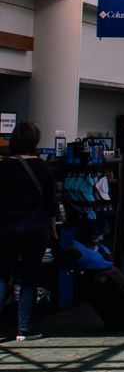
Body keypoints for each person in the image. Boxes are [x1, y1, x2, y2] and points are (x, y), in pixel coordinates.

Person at [0, 121, 57, 343]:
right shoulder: (43, 167)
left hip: (8, 226)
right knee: (29, 278)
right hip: (36, 226)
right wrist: (53, 230)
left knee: (2, 275)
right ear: (35, 141)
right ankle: (23, 329)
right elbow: (51, 204)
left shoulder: (4, 166)